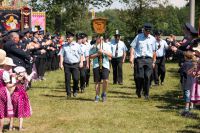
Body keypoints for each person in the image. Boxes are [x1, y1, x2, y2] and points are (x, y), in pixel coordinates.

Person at [129, 23, 156, 99]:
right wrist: (131, 56)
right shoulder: (138, 37)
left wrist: (154, 61)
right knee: (139, 77)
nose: (148, 32)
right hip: (139, 59)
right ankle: (138, 90)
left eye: (149, 31)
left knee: (147, 77)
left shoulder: (153, 39)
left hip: (148, 60)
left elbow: (154, 51)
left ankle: (146, 93)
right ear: (144, 30)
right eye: (146, 31)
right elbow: (132, 47)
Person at [59, 31, 84, 98]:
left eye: (69, 37)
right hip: (67, 64)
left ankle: (75, 90)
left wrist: (81, 62)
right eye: (67, 37)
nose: (67, 38)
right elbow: (61, 55)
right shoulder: (64, 46)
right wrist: (61, 63)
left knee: (76, 79)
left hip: (75, 64)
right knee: (67, 79)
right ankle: (68, 93)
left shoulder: (77, 45)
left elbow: (81, 54)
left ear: (72, 38)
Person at [89, 36, 112, 102]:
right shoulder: (93, 46)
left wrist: (103, 52)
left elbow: (110, 55)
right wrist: (97, 54)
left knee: (106, 80)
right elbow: (90, 56)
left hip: (105, 65)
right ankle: (97, 96)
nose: (100, 39)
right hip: (96, 65)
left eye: (101, 38)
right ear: (97, 38)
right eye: (98, 38)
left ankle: (104, 93)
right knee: (97, 81)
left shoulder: (107, 45)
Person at [11, 66, 32, 131]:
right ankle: (20, 127)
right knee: (21, 112)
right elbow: (28, 80)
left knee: (12, 111)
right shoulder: (23, 78)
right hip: (21, 96)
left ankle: (10, 127)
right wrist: (31, 74)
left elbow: (12, 86)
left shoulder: (14, 77)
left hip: (14, 95)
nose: (24, 72)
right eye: (23, 71)